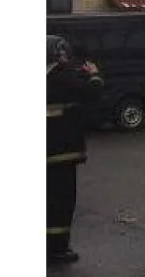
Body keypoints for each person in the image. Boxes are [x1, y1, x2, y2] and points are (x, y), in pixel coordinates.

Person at [47, 35, 103, 265]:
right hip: (61, 152)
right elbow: (92, 92)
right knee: (61, 201)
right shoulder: (61, 77)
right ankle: (57, 249)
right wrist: (95, 74)